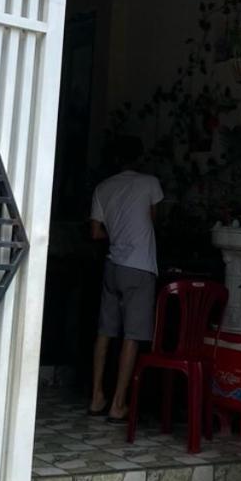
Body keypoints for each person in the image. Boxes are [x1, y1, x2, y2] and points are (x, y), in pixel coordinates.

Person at [88, 135, 163, 421]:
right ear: (140, 158)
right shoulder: (150, 183)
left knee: (105, 332)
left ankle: (97, 397)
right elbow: (154, 219)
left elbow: (95, 232)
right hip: (140, 268)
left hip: (113, 266)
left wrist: (116, 233)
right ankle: (118, 404)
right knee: (132, 335)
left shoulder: (102, 188)